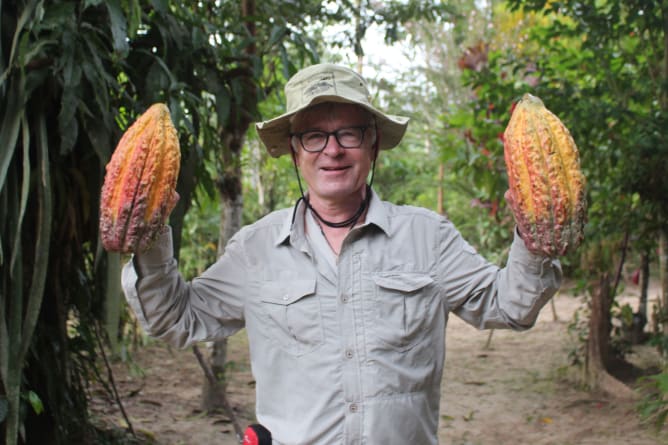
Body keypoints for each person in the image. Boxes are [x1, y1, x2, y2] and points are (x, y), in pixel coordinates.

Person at [122, 63, 563, 445]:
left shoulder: (428, 237)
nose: (332, 150)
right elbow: (174, 319)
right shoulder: (255, 250)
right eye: (314, 136)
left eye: (349, 133)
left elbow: (510, 307)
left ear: (373, 145)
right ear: (294, 152)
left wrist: (535, 236)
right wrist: (149, 236)